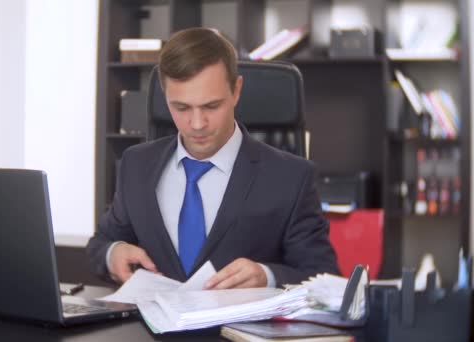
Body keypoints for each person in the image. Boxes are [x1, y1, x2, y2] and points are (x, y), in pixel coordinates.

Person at [85, 27, 338, 289]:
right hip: (148, 329)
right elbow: (101, 243)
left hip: (236, 329)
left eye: (211, 106)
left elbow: (325, 278)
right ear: (165, 96)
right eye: (181, 107)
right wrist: (112, 253)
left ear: (236, 90)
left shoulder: (291, 177)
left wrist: (268, 277)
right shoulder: (136, 164)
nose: (197, 123)